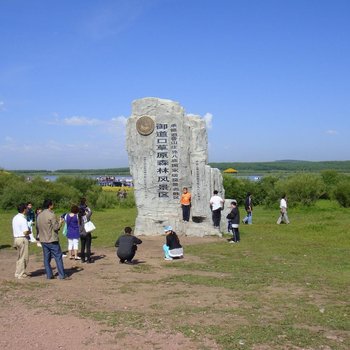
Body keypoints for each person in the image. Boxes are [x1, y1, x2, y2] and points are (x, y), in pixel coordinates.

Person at [37, 199, 69, 280]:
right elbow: (56, 227)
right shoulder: (51, 215)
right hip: (52, 239)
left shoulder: (39, 215)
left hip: (43, 239)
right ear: (50, 205)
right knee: (58, 257)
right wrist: (61, 222)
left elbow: (37, 227)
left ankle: (49, 275)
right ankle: (62, 275)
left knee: (46, 258)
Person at [12, 203, 31, 279]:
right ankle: (21, 274)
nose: (27, 210)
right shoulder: (23, 219)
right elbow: (25, 232)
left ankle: (18, 272)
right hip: (22, 239)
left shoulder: (15, 217)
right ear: (24, 210)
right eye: (26, 208)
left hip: (16, 239)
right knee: (24, 257)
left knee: (19, 257)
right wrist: (30, 231)